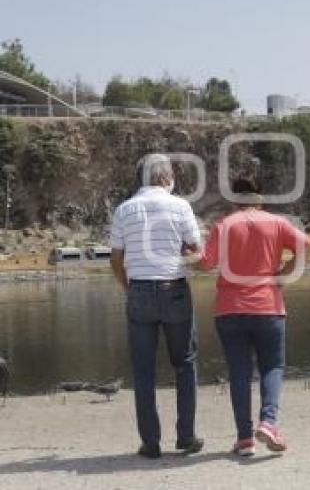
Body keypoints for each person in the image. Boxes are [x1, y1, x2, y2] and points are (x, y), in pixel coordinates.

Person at [196, 177, 310, 457]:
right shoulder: (276, 223)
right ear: (260, 197)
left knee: (239, 373)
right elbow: (308, 247)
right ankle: (269, 423)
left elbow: (204, 264)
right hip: (267, 306)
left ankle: (245, 438)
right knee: (272, 367)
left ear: (235, 200)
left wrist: (187, 250)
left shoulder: (224, 225)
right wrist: (283, 273)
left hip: (230, 308)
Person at [109, 154, 203, 459]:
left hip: (139, 290)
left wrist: (129, 287)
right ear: (165, 177)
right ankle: (186, 436)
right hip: (174, 288)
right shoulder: (180, 206)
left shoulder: (124, 210)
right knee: (185, 363)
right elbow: (196, 250)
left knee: (143, 369)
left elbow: (115, 258)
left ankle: (150, 442)